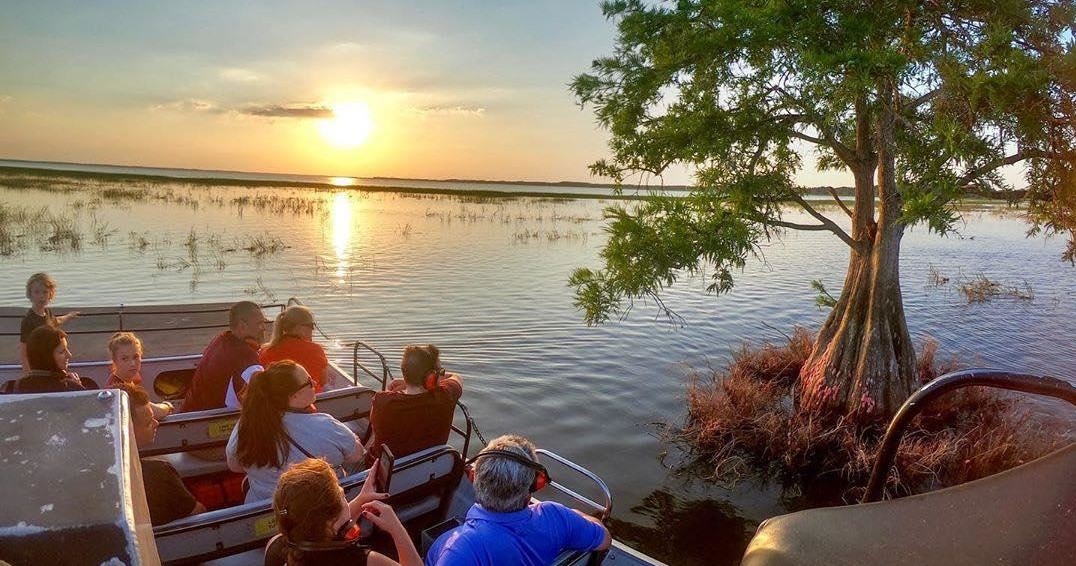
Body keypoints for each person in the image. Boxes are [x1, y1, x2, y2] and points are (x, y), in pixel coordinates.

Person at [425, 435, 611, 566]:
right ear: (533, 486)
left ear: (474, 478)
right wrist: (574, 515)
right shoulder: (556, 517)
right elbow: (604, 539)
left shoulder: (461, 549)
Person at [226, 361, 366, 504]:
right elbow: (357, 455)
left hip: (263, 513)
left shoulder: (246, 425)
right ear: (293, 396)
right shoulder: (326, 425)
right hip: (319, 512)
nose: (315, 382)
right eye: (309, 382)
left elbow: (234, 466)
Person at [265, 458, 422, 566]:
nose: (346, 498)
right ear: (329, 521)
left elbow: (328, 526)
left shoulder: (276, 547)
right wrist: (396, 528)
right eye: (342, 495)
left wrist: (361, 500)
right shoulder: (365, 561)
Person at [116, 382, 206, 525]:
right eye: (147, 423)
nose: (156, 423)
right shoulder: (159, 473)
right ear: (127, 429)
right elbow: (197, 511)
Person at [365, 345, 462, 462]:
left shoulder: (381, 401)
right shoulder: (446, 396)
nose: (441, 375)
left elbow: (374, 425)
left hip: (386, 477)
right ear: (431, 377)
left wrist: (408, 382)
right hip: (429, 472)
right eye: (440, 372)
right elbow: (456, 377)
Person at [183, 301, 268, 412]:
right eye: (259, 324)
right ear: (242, 326)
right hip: (212, 423)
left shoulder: (221, 340)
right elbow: (263, 401)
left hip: (192, 413)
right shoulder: (246, 356)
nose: (264, 328)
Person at [3, 324, 96, 394]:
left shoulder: (11, 388)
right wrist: (79, 390)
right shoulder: (69, 387)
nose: (69, 355)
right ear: (46, 357)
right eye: (62, 352)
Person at [260, 306, 331, 392]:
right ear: (299, 327)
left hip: (279, 401)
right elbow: (324, 381)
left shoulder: (266, 351)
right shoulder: (316, 349)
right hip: (312, 400)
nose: (313, 329)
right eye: (311, 325)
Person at [106, 332, 174, 418]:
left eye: (135, 357)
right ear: (114, 360)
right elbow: (157, 412)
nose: (132, 363)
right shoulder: (119, 389)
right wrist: (168, 405)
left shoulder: (131, 378)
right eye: (124, 359)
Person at [19, 272, 78, 370]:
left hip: (51, 359)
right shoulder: (28, 320)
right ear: (30, 294)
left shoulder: (47, 312)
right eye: (36, 292)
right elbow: (23, 350)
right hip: (37, 363)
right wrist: (27, 372)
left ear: (50, 294)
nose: (41, 296)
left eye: (45, 292)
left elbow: (55, 321)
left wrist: (68, 316)